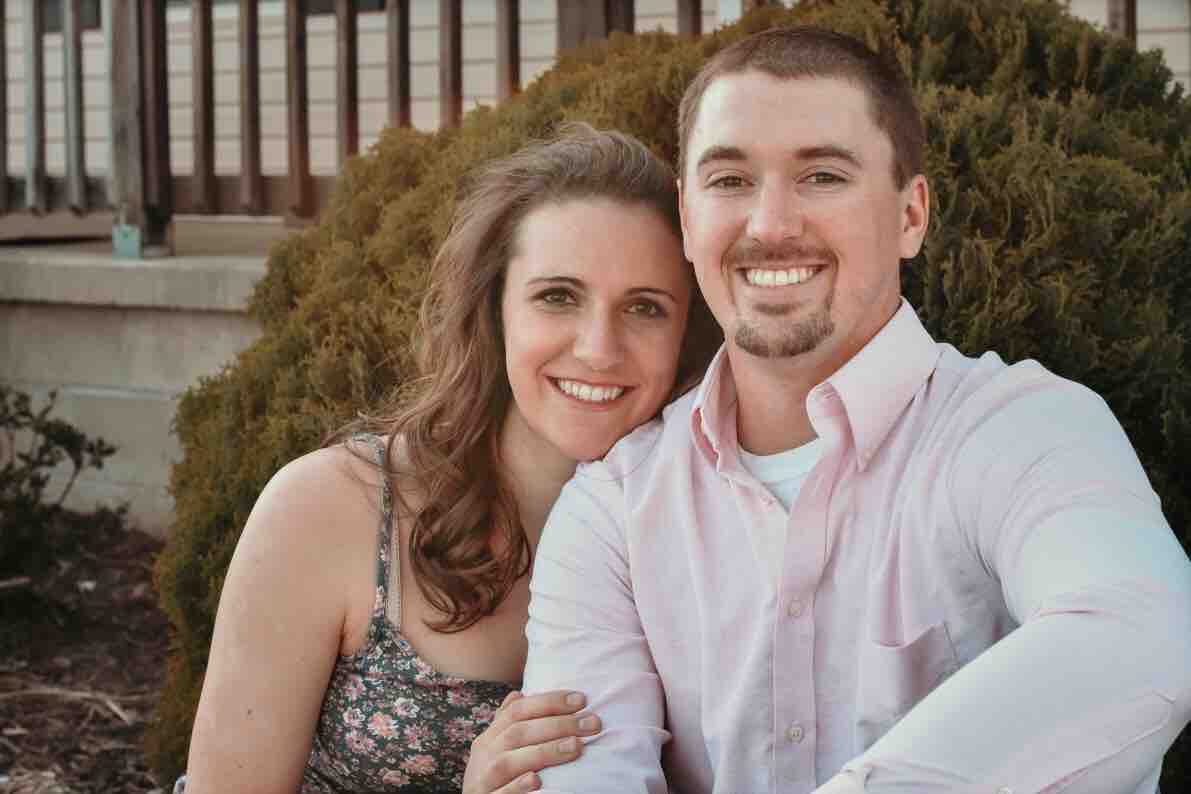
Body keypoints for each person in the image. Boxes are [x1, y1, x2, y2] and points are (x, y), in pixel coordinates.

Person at [522, 26, 1191, 794]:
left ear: (910, 216)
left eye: (822, 176)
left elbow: (1139, 638)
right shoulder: (612, 507)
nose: (770, 224)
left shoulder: (1029, 430)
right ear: (687, 216)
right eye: (730, 180)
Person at [178, 124, 721, 794]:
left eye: (645, 307)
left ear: (687, 333)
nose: (599, 349)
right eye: (557, 296)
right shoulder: (328, 509)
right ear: (494, 310)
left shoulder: (715, 530)